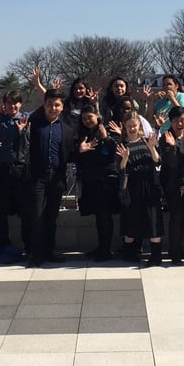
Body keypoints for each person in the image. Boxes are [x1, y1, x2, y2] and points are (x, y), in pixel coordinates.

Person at [25, 89, 75, 266]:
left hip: (57, 177)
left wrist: (80, 150)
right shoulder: (35, 124)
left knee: (52, 216)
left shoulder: (67, 130)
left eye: (57, 105)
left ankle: (49, 251)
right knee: (36, 215)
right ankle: (36, 253)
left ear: (62, 107)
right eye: (49, 104)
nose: (53, 108)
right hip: (38, 176)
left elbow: (71, 153)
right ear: (44, 105)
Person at [0, 90, 30, 260]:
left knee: (25, 211)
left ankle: (28, 245)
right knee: (0, 211)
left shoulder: (27, 118)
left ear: (20, 104)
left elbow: (51, 106)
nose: (13, 106)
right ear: (4, 104)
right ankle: (4, 244)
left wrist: (38, 85)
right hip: (2, 168)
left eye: (16, 103)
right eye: (9, 103)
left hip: (21, 168)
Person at [116, 111, 163, 264]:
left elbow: (157, 161)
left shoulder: (146, 140)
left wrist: (151, 148)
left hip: (150, 184)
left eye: (135, 125)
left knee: (152, 218)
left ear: (139, 126)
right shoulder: (122, 144)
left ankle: (156, 256)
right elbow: (121, 169)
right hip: (132, 186)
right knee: (132, 219)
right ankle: (129, 253)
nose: (132, 128)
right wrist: (125, 158)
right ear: (125, 126)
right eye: (129, 126)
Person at [76, 105, 120, 261]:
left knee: (104, 216)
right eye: (84, 118)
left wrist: (106, 138)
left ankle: (106, 249)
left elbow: (116, 152)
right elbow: (76, 157)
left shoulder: (108, 129)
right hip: (90, 180)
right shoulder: (82, 134)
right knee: (98, 216)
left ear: (97, 116)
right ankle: (101, 246)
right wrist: (80, 150)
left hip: (106, 180)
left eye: (90, 117)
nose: (87, 121)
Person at [158, 107, 184, 264]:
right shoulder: (166, 137)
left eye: (182, 120)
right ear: (170, 122)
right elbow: (173, 163)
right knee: (176, 215)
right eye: (175, 121)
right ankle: (174, 251)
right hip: (172, 182)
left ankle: (178, 245)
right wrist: (173, 146)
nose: (180, 123)